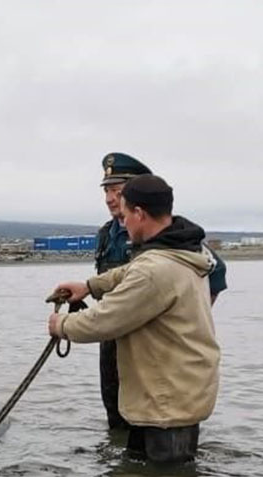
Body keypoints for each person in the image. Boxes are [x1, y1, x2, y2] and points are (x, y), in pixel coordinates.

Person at [50, 174, 220, 464]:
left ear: (139, 214)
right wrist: (90, 287)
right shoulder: (182, 249)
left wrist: (61, 325)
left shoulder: (155, 269)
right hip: (174, 394)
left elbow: (103, 321)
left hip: (166, 405)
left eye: (126, 214)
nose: (123, 221)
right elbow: (129, 272)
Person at [94, 152, 228, 429]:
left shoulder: (169, 234)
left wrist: (182, 320)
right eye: (107, 190)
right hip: (113, 336)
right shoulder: (106, 235)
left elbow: (215, 271)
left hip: (154, 346)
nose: (109, 198)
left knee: (159, 416)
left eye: (117, 191)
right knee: (115, 409)